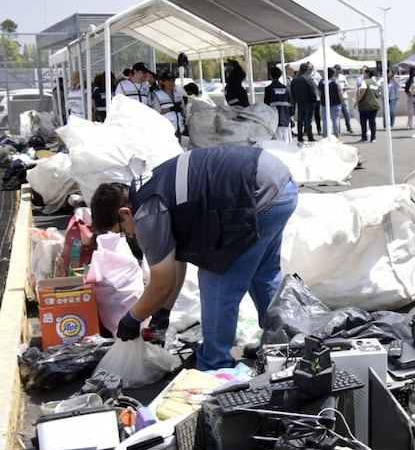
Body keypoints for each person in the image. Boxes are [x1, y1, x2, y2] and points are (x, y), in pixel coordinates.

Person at [90, 146, 298, 371]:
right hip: (279, 184)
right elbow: (176, 262)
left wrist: (133, 318)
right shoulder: (150, 187)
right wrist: (163, 312)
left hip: (258, 194)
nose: (129, 235)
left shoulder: (147, 212)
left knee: (216, 278)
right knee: (263, 274)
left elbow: (162, 282)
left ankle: (214, 362)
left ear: (124, 213)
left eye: (122, 230)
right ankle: (280, 345)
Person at [151, 71, 186, 141]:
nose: (171, 83)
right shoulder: (157, 95)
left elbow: (184, 110)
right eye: (169, 81)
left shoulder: (178, 94)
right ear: (163, 82)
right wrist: (171, 109)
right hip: (166, 129)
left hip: (179, 128)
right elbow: (155, 112)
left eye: (173, 81)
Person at [290, 63, 317, 144]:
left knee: (300, 120)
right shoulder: (308, 79)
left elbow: (292, 91)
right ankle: (310, 136)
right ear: (306, 69)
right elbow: (312, 91)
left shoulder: (295, 79)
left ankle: (300, 137)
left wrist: (295, 100)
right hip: (308, 102)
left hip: (299, 102)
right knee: (308, 121)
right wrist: (314, 101)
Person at [264, 65, 293, 143]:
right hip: (286, 118)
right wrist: (290, 116)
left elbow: (266, 105)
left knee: (277, 141)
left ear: (271, 75)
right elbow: (291, 104)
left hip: (274, 119)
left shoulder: (268, 89)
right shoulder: (286, 89)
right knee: (285, 139)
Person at [356, 68, 381, 143]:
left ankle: (364, 137)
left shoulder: (365, 82)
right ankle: (373, 138)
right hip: (375, 104)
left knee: (363, 122)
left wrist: (357, 101)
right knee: (372, 121)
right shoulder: (375, 83)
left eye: (364, 73)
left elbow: (363, 92)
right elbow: (379, 94)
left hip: (365, 105)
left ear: (367, 74)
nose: (363, 75)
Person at [320, 66, 343, 139]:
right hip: (335, 103)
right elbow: (340, 92)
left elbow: (319, 92)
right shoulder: (335, 81)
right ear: (333, 73)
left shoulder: (322, 81)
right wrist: (341, 101)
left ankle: (326, 135)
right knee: (335, 119)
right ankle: (336, 135)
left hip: (324, 103)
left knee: (325, 120)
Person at [333, 65, 354, 134]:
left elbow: (348, 86)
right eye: (338, 69)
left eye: (340, 69)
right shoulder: (332, 77)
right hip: (336, 98)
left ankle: (349, 127)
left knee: (347, 113)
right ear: (334, 69)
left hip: (344, 97)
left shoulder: (342, 77)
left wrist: (343, 88)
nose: (339, 70)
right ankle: (337, 129)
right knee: (336, 115)